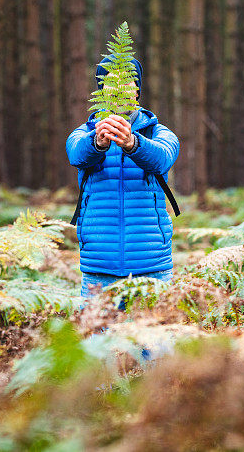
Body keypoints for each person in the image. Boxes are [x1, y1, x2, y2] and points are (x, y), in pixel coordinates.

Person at [65, 54, 180, 301]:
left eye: (128, 80)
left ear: (137, 90)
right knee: (97, 339)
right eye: (111, 80)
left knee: (154, 339)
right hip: (99, 266)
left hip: (151, 266)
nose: (120, 86)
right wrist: (98, 142)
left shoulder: (159, 132)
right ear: (102, 90)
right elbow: (77, 155)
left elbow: (162, 159)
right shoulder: (84, 134)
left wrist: (132, 143)